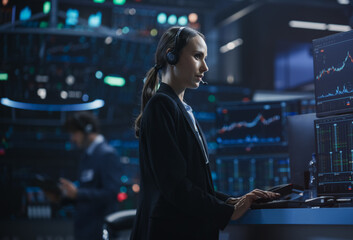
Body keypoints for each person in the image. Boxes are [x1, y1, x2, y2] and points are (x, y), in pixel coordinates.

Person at [130, 26, 280, 240]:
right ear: (171, 55)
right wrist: (228, 212)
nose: (205, 67)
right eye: (197, 56)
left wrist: (231, 200)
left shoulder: (180, 108)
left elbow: (193, 183)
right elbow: (174, 185)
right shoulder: (162, 105)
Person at [61, 111, 122, 240]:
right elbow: (86, 191)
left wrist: (78, 193)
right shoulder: (87, 156)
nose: (72, 138)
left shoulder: (107, 155)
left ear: (87, 131)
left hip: (99, 231)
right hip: (85, 231)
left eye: (75, 133)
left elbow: (111, 193)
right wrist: (65, 196)